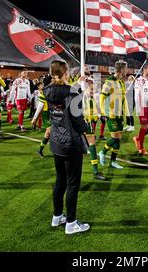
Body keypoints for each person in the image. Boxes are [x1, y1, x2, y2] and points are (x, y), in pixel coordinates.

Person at [44, 60, 90, 235]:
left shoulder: (47, 90)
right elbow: (78, 121)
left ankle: (57, 216)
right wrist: (86, 128)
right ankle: (71, 223)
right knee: (72, 183)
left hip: (56, 140)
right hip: (70, 142)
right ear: (65, 73)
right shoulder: (73, 92)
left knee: (60, 180)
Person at [98, 60, 129, 169]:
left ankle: (113, 161)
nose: (127, 70)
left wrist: (126, 114)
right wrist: (103, 112)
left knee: (118, 138)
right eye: (126, 68)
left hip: (120, 114)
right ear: (121, 70)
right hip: (111, 114)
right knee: (115, 138)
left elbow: (123, 99)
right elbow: (101, 98)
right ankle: (102, 152)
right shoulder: (109, 82)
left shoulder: (121, 82)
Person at [83, 77, 107, 180]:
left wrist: (103, 115)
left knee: (92, 145)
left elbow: (97, 107)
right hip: (79, 124)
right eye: (91, 89)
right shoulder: (81, 97)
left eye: (94, 89)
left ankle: (96, 171)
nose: (93, 91)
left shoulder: (94, 97)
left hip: (87, 123)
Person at [132, 63, 148, 155]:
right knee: (144, 127)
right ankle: (141, 148)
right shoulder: (139, 80)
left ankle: (137, 138)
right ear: (144, 70)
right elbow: (137, 96)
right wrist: (139, 108)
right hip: (142, 107)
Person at [32, 82, 52, 158]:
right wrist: (34, 119)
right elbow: (39, 107)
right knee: (48, 131)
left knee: (53, 132)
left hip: (54, 113)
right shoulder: (42, 94)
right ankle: (40, 150)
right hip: (46, 115)